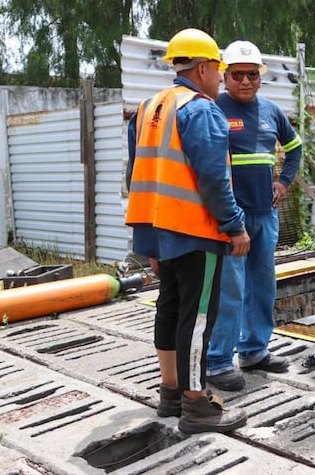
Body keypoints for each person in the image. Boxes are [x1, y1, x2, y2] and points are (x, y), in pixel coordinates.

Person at [125, 27, 251, 435]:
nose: (221, 77)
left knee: (170, 307)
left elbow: (135, 174)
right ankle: (196, 408)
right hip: (195, 232)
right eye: (219, 69)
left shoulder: (147, 109)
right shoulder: (200, 109)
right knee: (197, 319)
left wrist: (150, 237)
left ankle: (171, 394)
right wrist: (235, 228)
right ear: (202, 69)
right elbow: (214, 179)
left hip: (157, 230)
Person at [206, 40, 303, 392]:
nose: (244, 81)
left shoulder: (271, 112)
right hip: (232, 218)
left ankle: (254, 351)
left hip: (265, 214)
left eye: (251, 74)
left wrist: (284, 181)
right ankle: (218, 361)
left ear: (260, 77)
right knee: (231, 290)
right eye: (237, 75)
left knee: (263, 286)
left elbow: (295, 148)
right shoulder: (214, 109)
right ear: (225, 76)